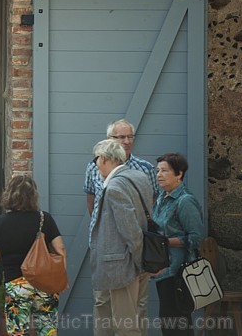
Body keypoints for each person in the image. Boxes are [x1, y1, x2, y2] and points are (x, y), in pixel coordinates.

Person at [84, 119, 159, 333]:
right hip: (116, 253)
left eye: (130, 136)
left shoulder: (123, 181)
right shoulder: (137, 176)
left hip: (122, 260)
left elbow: (132, 227)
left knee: (127, 320)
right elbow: (94, 209)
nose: (96, 164)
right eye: (121, 137)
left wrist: (138, 260)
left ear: (106, 158)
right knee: (107, 311)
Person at [0, 174, 66, 336]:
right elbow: (60, 249)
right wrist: (62, 276)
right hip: (45, 282)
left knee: (17, 331)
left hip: (16, 284)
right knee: (47, 330)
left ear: (8, 194)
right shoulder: (45, 219)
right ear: (33, 196)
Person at [151, 153, 204, 336]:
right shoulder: (161, 197)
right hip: (163, 268)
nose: (159, 174)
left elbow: (196, 237)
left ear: (179, 173)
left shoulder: (185, 200)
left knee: (177, 323)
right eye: (157, 170)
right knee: (167, 322)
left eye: (164, 171)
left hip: (179, 271)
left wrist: (165, 242)